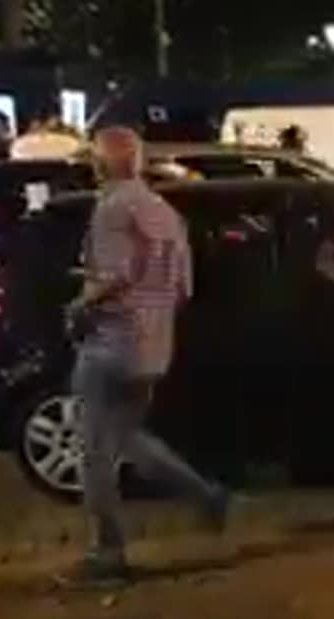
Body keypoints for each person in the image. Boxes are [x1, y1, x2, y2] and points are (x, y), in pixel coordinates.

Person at [60, 127, 230, 588]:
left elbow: (112, 276)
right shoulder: (165, 212)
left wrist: (79, 306)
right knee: (127, 437)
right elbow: (182, 288)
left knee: (94, 452)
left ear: (99, 165)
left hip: (111, 342)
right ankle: (206, 495)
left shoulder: (113, 209)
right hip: (154, 345)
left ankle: (107, 554)